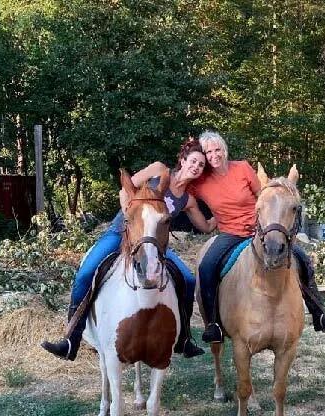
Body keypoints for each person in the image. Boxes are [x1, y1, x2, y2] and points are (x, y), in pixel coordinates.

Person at [41, 139, 216, 361]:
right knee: (86, 274)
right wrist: (128, 214)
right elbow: (126, 189)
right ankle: (70, 340)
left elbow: (206, 226)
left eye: (201, 165)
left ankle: (184, 339)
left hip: (153, 245)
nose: (196, 167)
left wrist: (228, 210)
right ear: (182, 160)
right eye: (193, 161)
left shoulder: (188, 200)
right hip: (121, 233)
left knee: (188, 280)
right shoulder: (159, 170)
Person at [189, 131, 325, 343]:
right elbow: (180, 188)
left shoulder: (243, 168)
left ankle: (320, 315)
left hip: (259, 231)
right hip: (230, 234)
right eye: (208, 152)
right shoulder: (201, 182)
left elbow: (265, 195)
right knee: (206, 267)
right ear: (204, 156)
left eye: (217, 149)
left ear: (224, 150)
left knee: (303, 259)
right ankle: (213, 325)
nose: (214, 155)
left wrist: (271, 222)